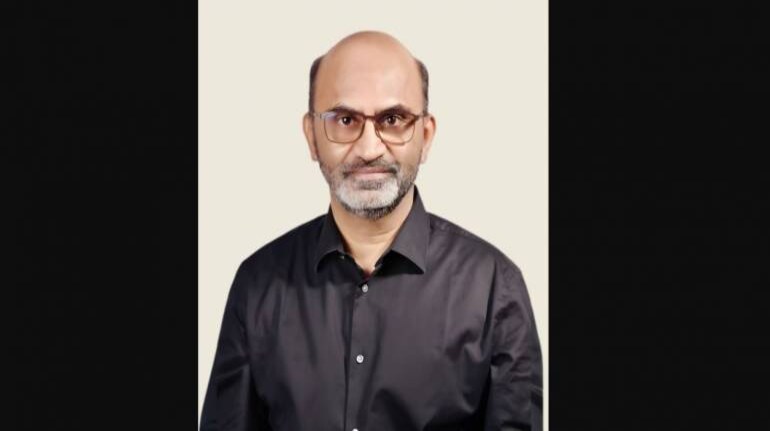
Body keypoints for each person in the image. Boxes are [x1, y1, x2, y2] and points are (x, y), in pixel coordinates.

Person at [200, 31, 543, 431]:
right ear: (311, 136)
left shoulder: (494, 289)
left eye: (392, 120)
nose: (368, 149)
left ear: (425, 136)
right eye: (345, 120)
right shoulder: (258, 284)